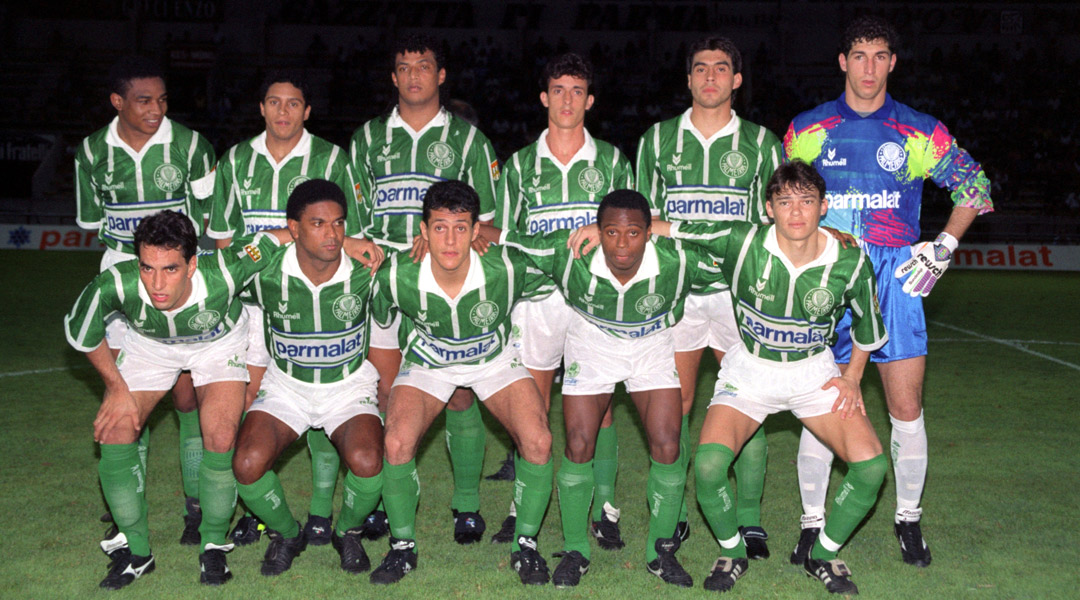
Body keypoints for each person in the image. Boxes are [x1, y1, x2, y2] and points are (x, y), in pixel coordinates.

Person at [575, 161, 889, 593]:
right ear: (768, 208)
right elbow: (671, 227)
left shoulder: (851, 260)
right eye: (785, 202)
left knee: (871, 468)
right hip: (751, 370)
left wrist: (852, 377)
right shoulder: (741, 241)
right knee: (707, 467)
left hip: (814, 371)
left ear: (824, 207)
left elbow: (868, 326)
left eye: (806, 202)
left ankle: (825, 553)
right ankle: (732, 549)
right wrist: (600, 229)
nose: (796, 213)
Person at [784, 15, 993, 568]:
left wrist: (943, 246)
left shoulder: (919, 130)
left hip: (896, 276)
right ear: (843, 62)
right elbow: (787, 204)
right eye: (859, 55)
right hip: (827, 277)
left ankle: (907, 519)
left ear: (892, 63)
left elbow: (975, 187)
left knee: (906, 407)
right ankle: (811, 523)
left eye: (880, 56)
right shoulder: (808, 128)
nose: (869, 67)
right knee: (818, 401)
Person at [489, 189, 720, 588]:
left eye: (634, 233)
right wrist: (467, 230)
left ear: (650, 233)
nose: (622, 244)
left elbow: (737, 247)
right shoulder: (571, 254)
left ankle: (659, 551)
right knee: (578, 443)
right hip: (592, 345)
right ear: (597, 231)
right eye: (611, 232)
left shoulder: (677, 260)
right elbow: (510, 237)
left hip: (650, 347)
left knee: (667, 443)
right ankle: (577, 549)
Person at [64, 211, 279, 588]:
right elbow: (82, 333)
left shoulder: (227, 270)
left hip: (217, 345)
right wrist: (117, 391)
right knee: (115, 429)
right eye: (147, 268)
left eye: (170, 269)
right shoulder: (116, 282)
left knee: (221, 436)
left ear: (193, 264)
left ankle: (212, 543)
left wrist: (351, 243)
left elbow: (283, 236)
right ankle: (137, 551)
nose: (157, 283)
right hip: (151, 348)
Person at [350, 34, 500, 543]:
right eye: (404, 66)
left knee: (458, 393)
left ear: (441, 76)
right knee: (386, 393)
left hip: (445, 286)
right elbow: (354, 222)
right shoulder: (367, 139)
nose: (414, 74)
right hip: (382, 282)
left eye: (424, 65)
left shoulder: (470, 141)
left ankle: (467, 506)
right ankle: (386, 505)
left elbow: (489, 226)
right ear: (393, 78)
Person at [635, 36, 782, 555]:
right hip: (677, 292)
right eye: (701, 69)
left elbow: (774, 222)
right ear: (689, 79)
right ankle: (670, 519)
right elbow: (642, 222)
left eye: (722, 69)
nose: (711, 78)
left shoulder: (763, 144)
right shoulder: (656, 140)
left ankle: (749, 518)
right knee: (675, 404)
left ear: (737, 80)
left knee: (748, 399)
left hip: (738, 293)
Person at [207, 71, 365, 547]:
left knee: (324, 393)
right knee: (254, 406)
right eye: (274, 102)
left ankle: (319, 512)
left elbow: (352, 236)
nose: (283, 112)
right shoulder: (235, 160)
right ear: (261, 108)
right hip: (253, 306)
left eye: (293, 103)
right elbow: (223, 237)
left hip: (313, 295)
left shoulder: (333, 158)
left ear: (307, 111)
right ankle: (256, 511)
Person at [369, 180, 554, 586]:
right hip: (429, 363)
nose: (450, 240)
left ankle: (525, 545)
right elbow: (381, 319)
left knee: (538, 440)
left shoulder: (507, 266)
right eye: (439, 227)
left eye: (460, 227)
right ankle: (402, 548)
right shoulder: (398, 273)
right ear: (422, 231)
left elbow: (558, 258)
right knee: (396, 442)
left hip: (494, 361)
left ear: (476, 231)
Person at [489, 52, 634, 547]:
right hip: (536, 300)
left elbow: (630, 234)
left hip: (595, 299)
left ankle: (605, 504)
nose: (567, 100)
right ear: (544, 97)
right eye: (559, 90)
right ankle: (521, 504)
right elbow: (506, 240)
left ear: (590, 100)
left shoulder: (613, 161)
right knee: (530, 402)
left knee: (601, 406)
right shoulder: (520, 166)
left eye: (577, 91)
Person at [74, 55, 217, 547]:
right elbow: (92, 223)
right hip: (121, 276)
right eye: (143, 100)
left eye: (161, 100)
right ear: (118, 102)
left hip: (178, 280)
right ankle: (122, 506)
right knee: (126, 394)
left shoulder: (192, 146)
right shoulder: (92, 151)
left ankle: (196, 504)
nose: (156, 109)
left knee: (186, 395)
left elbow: (205, 223)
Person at [231, 180, 384, 577]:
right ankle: (287, 534)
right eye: (317, 223)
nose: (331, 234)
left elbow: (424, 261)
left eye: (338, 224)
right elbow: (223, 264)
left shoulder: (368, 268)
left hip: (348, 386)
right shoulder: (266, 272)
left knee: (368, 462)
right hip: (287, 386)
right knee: (247, 464)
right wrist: (279, 236)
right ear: (294, 228)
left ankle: (346, 531)